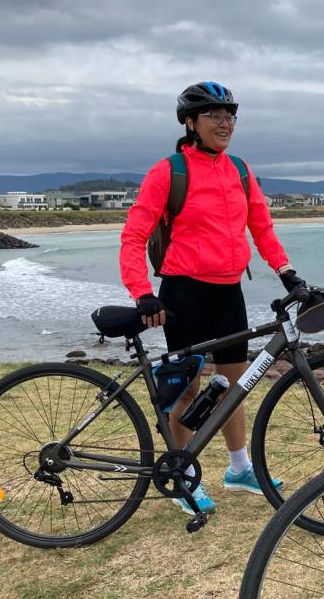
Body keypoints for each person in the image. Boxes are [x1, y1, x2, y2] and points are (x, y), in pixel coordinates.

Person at [119, 81, 307, 515]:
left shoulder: (239, 170)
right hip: (183, 293)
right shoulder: (168, 172)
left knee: (234, 388)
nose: (225, 123)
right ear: (190, 122)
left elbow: (261, 228)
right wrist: (143, 293)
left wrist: (286, 274)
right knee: (186, 391)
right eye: (214, 115)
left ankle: (239, 469)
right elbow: (133, 235)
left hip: (228, 293)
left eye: (230, 116)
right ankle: (183, 474)